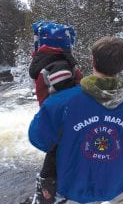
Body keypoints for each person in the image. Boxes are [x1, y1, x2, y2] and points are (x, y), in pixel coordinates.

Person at [28, 36, 123, 204]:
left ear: (93, 61)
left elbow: (39, 140)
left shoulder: (60, 102)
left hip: (75, 189)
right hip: (121, 185)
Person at [29, 20, 82, 204]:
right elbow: (66, 91)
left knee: (55, 150)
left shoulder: (49, 60)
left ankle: (47, 185)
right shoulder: (59, 65)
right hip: (62, 118)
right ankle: (50, 189)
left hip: (52, 116)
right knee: (60, 151)